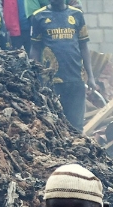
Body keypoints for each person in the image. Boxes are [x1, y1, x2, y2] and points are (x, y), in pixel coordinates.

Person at [29, 0, 98, 130]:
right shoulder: (38, 16)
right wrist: (35, 76)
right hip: (51, 82)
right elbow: (35, 49)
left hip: (76, 79)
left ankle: (77, 149)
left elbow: (84, 46)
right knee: (54, 124)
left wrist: (91, 76)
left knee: (76, 126)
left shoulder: (77, 15)